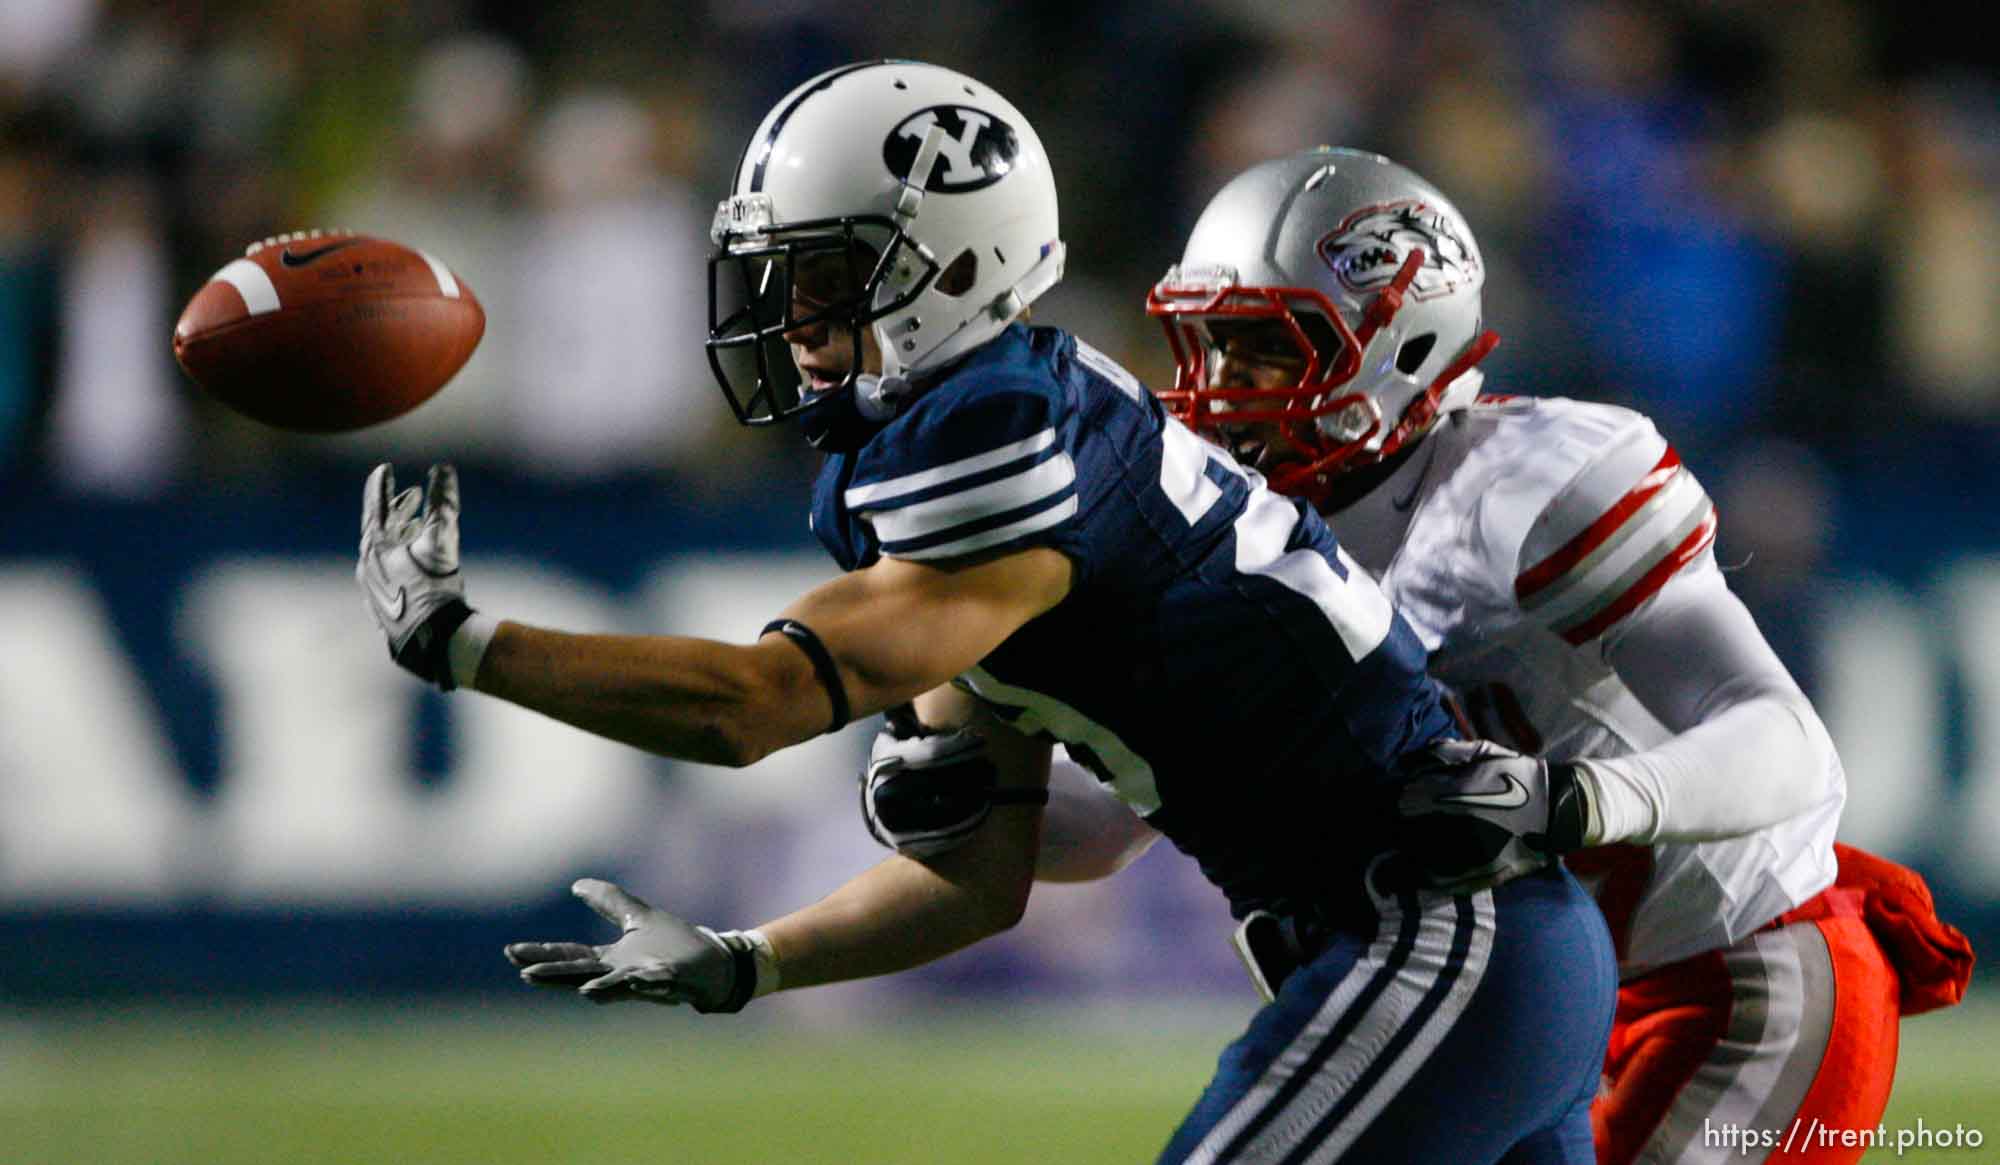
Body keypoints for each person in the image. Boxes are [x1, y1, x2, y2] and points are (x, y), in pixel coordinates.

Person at [355, 65, 1617, 1162]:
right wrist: (752, 960)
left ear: (953, 266)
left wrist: (467, 643)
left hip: (1440, 928)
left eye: (830, 272)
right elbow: (970, 879)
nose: (792, 315)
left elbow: (755, 705)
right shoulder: (991, 435)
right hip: (1469, 943)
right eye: (782, 272)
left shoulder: (998, 448)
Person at [1021, 147, 1972, 1164]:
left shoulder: (1520, 488)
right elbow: (1109, 825)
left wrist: (1569, 798)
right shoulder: (1237, 536)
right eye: (1204, 346)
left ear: (1401, 345)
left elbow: (1786, 742)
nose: (1216, 389)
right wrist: (972, 787)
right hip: (1513, 1003)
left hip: (1733, 978)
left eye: (1262, 350)